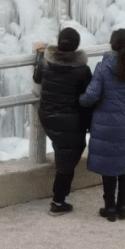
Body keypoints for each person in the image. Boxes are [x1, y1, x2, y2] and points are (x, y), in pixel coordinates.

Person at [79, 28, 125, 221]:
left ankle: (109, 209)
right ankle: (122, 208)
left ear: (112, 44)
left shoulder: (103, 67)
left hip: (105, 123)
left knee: (109, 167)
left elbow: (91, 95)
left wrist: (80, 100)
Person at [33, 27, 93, 215]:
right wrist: (90, 123)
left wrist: (40, 55)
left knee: (64, 151)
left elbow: (36, 81)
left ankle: (59, 195)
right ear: (76, 46)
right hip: (71, 120)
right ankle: (58, 202)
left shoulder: (45, 63)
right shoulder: (82, 70)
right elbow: (89, 98)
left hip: (47, 117)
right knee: (68, 156)